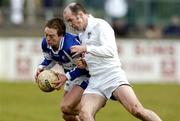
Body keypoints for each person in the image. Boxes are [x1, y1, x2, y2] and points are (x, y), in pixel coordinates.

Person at [62, 3, 162, 121]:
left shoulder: (100, 25)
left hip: (112, 76)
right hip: (95, 80)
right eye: (67, 21)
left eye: (70, 20)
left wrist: (86, 48)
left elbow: (110, 51)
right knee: (84, 114)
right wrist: (85, 63)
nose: (70, 24)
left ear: (80, 15)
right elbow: (95, 56)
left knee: (137, 110)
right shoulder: (81, 34)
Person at [34, 17, 89, 121]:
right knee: (67, 115)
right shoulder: (45, 43)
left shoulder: (71, 46)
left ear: (61, 35)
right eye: (46, 35)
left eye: (51, 36)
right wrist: (41, 67)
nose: (48, 39)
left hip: (87, 76)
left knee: (66, 107)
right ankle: (88, 111)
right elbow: (50, 58)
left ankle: (91, 108)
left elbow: (84, 67)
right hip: (72, 76)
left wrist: (66, 77)